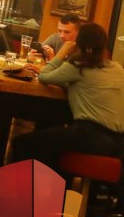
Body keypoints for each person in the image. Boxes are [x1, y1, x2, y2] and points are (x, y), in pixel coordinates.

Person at [12, 23, 124, 171]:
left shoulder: (78, 65)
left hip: (91, 135)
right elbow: (87, 85)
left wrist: (62, 52)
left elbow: (44, 77)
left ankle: (30, 185)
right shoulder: (117, 68)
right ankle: (52, 183)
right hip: (118, 142)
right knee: (53, 144)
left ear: (79, 43)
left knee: (22, 143)